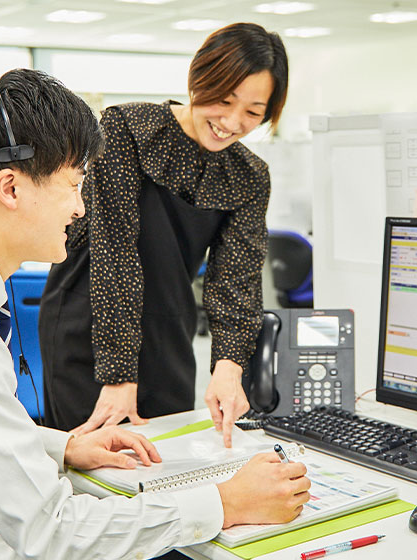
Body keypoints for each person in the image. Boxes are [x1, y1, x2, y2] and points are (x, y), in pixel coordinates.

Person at [0, 68, 310, 560]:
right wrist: (223, 503)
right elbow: (52, 534)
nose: (80, 209)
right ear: (9, 188)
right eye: (74, 186)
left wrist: (61, 448)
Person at [38, 22, 288, 447]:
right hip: (91, 318)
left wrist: (228, 366)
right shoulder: (128, 129)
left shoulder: (249, 175)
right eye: (224, 99)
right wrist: (118, 374)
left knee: (168, 461)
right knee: (92, 465)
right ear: (198, 78)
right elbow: (114, 251)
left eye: (252, 111)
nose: (231, 121)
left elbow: (236, 283)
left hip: (169, 328)